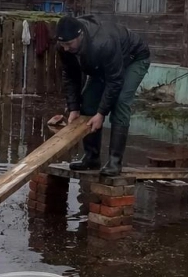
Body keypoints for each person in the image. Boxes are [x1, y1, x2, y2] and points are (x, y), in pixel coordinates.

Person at [57, 15, 151, 176]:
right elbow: (71, 76)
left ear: (80, 36)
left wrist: (101, 114)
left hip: (133, 58)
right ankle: (91, 158)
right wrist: (74, 108)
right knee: (87, 103)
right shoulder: (64, 46)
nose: (66, 48)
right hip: (102, 66)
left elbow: (115, 81)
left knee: (121, 102)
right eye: (62, 44)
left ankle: (115, 161)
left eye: (69, 44)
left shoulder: (103, 42)